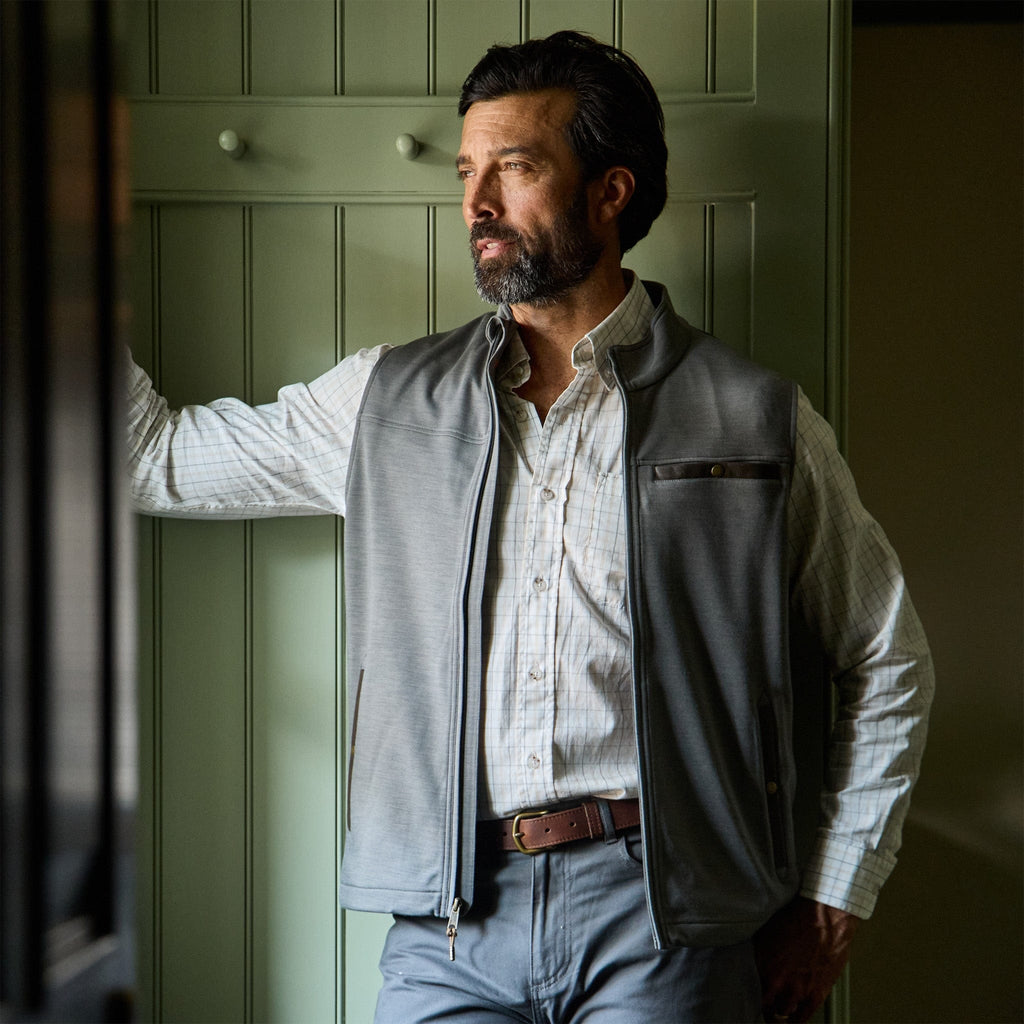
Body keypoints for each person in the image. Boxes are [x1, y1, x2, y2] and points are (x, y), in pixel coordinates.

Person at [126, 31, 933, 1024]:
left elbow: (886, 654)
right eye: (467, 171)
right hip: (449, 923)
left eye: (513, 167)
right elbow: (149, 457)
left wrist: (834, 897)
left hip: (670, 921)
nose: (476, 202)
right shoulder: (384, 403)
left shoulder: (754, 417)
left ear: (610, 191)